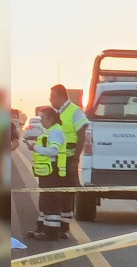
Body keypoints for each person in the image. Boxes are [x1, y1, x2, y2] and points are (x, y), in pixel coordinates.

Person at [49, 85, 88, 238]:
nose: (50, 99)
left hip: (68, 158)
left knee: (65, 193)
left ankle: (64, 227)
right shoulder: (57, 113)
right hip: (57, 159)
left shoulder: (74, 111)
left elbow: (81, 134)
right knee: (56, 193)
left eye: (52, 96)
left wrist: (76, 159)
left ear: (60, 96)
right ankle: (55, 225)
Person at [26, 108, 66, 241]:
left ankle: (51, 233)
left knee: (50, 201)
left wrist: (35, 148)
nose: (41, 120)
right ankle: (42, 228)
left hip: (52, 172)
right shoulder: (50, 131)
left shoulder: (55, 132)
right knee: (45, 201)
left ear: (50, 118)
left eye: (43, 118)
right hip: (47, 171)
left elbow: (54, 151)